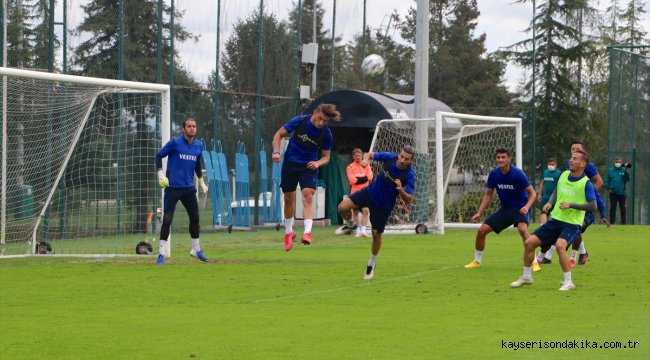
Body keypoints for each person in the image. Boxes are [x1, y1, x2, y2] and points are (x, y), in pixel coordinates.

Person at [511, 149, 597, 291]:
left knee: (560, 246)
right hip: (555, 220)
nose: (571, 160)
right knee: (529, 243)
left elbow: (593, 206)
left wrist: (571, 205)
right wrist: (550, 202)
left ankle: (568, 282)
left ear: (583, 164)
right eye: (571, 157)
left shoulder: (585, 183)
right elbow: (557, 191)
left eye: (575, 158)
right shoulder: (563, 175)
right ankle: (526, 276)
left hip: (572, 223)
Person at [337, 146, 416, 280]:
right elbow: (369, 154)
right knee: (342, 207)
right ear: (399, 154)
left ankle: (372, 263)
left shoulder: (410, 175)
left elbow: (408, 199)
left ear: (411, 161)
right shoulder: (390, 158)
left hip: (383, 205)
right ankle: (351, 225)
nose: (402, 160)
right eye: (401, 156)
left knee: (375, 235)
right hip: (369, 192)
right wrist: (365, 160)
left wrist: (401, 190)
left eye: (406, 159)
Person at [272, 103, 341, 251]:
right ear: (315, 113)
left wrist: (317, 163)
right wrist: (276, 152)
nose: (321, 123)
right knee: (288, 197)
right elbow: (278, 135)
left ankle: (307, 233)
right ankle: (288, 233)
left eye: (325, 121)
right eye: (320, 118)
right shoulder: (299, 121)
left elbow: (326, 157)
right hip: (290, 163)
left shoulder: (326, 134)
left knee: (307, 196)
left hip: (309, 166)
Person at [464, 148, 536, 269]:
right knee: (482, 231)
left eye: (503, 157)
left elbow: (532, 194)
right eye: (498, 157)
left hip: (519, 209)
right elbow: (488, 194)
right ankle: (477, 261)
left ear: (509, 158)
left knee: (523, 230)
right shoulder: (494, 174)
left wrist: (527, 206)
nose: (500, 160)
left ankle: (534, 262)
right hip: (505, 209)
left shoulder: (518, 174)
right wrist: (479, 212)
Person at [155, 118, 210, 265]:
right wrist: (160, 174)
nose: (192, 128)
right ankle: (161, 253)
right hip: (173, 188)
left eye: (194, 126)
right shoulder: (175, 143)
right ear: (183, 129)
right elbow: (159, 155)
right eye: (189, 126)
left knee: (195, 219)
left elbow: (197, 164)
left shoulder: (198, 146)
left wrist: (201, 182)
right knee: (167, 219)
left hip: (188, 189)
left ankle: (196, 250)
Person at [338, 148, 374, 237]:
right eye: (356, 156)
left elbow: (370, 177)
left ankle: (363, 230)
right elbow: (353, 181)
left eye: (359, 155)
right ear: (353, 156)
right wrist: (364, 179)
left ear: (362, 156)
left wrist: (360, 179)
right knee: (355, 211)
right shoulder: (350, 167)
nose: (358, 157)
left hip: (365, 192)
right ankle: (357, 229)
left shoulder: (367, 165)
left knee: (366, 211)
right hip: (355, 192)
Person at [534, 157, 562, 264]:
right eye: (549, 163)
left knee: (555, 221)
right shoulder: (545, 172)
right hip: (546, 198)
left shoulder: (558, 173)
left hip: (555, 199)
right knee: (544, 213)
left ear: (555, 164)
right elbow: (542, 183)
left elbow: (560, 186)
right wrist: (540, 194)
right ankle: (543, 226)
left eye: (552, 163)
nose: (550, 165)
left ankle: (546, 256)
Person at [605, 156, 631, 225]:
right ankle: (612, 222)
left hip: (622, 193)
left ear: (622, 163)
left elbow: (628, 179)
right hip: (613, 192)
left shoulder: (623, 170)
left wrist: (626, 171)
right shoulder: (610, 171)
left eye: (619, 162)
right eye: (617, 162)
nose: (618, 163)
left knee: (623, 208)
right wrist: (608, 188)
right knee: (613, 207)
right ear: (614, 162)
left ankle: (624, 223)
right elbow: (606, 181)